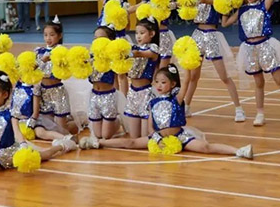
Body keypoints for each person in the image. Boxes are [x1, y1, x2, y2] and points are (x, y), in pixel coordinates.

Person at [79, 65, 254, 159]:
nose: (159, 85)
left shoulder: (176, 99)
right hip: (158, 138)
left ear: (172, 85)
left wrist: (187, 65)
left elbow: (185, 84)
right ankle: (99, 143)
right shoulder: (152, 102)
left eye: (163, 82)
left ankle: (238, 151)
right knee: (131, 142)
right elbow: (150, 127)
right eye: (157, 82)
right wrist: (156, 139)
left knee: (205, 147)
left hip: (179, 137)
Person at [183, 0, 245, 122]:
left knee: (224, 76)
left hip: (212, 36)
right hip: (197, 35)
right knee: (192, 76)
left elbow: (223, 20)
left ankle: (238, 109)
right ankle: (186, 107)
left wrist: (238, 12)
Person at [80, 0, 135, 95]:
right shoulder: (106, 0)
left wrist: (122, 17)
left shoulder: (124, 5)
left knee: (121, 73)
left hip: (118, 40)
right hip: (104, 41)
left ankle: (124, 99)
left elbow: (128, 26)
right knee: (111, 72)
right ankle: (115, 97)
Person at [35, 18, 79, 136]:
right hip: (43, 93)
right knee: (47, 127)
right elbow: (33, 70)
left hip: (58, 93)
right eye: (45, 35)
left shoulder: (62, 52)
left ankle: (81, 122)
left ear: (60, 36)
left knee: (61, 130)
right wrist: (42, 60)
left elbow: (66, 71)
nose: (48, 38)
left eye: (52, 35)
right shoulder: (39, 52)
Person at [123, 18, 160, 138]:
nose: (138, 36)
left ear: (152, 34)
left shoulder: (153, 48)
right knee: (134, 137)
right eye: (136, 33)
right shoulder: (134, 47)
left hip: (146, 93)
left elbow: (142, 54)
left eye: (142, 33)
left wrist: (127, 53)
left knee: (145, 138)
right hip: (132, 93)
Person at [89, 26, 121, 139]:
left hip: (108, 97)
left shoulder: (113, 58)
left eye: (101, 38)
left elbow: (117, 79)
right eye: (95, 38)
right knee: (97, 135)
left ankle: (118, 121)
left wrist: (118, 101)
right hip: (94, 96)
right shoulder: (90, 57)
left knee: (105, 136)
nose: (97, 41)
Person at [143, 0, 177, 69]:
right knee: (153, 68)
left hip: (164, 35)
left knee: (163, 68)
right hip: (151, 36)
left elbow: (174, 5)